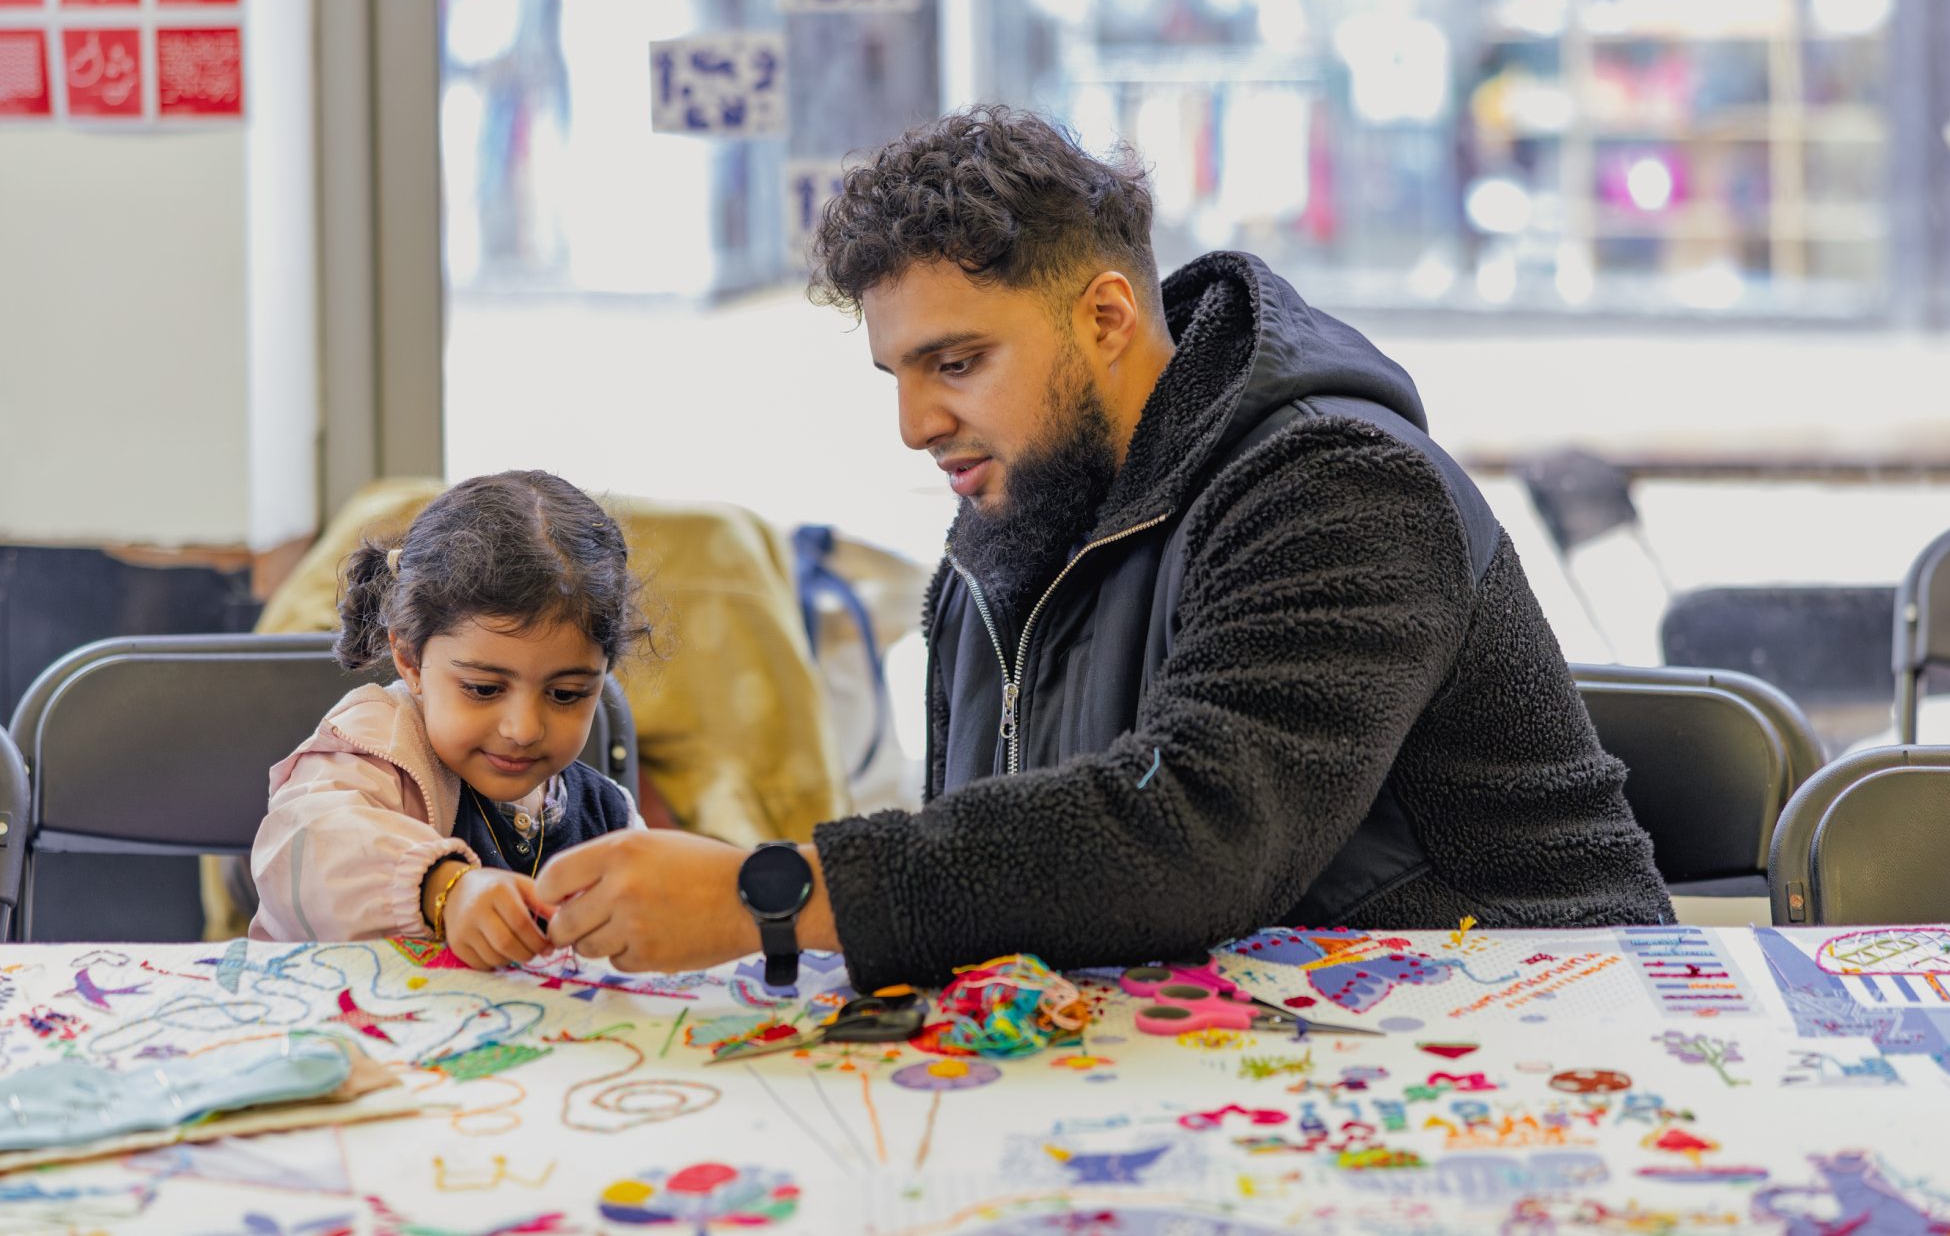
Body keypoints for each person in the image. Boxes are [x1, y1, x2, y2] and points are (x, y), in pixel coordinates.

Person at [534, 106, 1672, 989]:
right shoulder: (1011, 527)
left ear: (1108, 319)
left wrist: (765, 894)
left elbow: (1194, 828)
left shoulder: (1342, 486)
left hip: (1541, 1042)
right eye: (899, 375)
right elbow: (1006, 879)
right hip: (1238, 1066)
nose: (915, 425)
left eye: (958, 362)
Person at [250, 470, 645, 968]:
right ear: (410, 660)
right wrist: (445, 888)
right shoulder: (375, 747)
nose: (523, 729)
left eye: (566, 694)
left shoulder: (609, 815)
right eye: (483, 689)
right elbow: (304, 851)